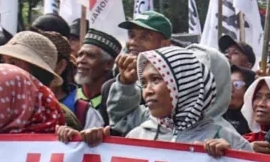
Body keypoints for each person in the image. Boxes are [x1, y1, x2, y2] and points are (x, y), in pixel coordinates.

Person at [64, 46, 250, 152]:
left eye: (156, 80)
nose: (147, 91)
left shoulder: (228, 139)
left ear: (185, 83)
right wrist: (89, 145)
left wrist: (232, 159)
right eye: (144, 83)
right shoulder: (137, 136)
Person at [74, 29, 120, 127]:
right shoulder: (69, 96)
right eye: (80, 55)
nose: (81, 60)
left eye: (90, 56)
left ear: (108, 64)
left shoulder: (116, 102)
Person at [226, 66, 254, 134]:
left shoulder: (255, 122)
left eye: (237, 84)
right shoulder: (215, 115)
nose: (231, 89)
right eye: (227, 83)